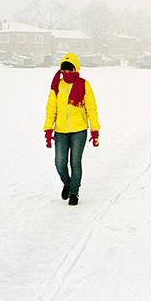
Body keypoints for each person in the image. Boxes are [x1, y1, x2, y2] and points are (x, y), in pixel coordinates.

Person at [44, 53, 100, 206]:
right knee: (60, 163)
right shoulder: (57, 86)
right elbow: (51, 109)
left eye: (70, 70)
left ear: (75, 69)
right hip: (61, 131)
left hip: (79, 130)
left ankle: (74, 192)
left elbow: (91, 109)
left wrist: (95, 131)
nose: (66, 73)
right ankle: (67, 183)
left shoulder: (84, 84)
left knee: (75, 162)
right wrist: (48, 130)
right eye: (64, 70)